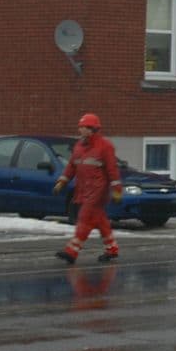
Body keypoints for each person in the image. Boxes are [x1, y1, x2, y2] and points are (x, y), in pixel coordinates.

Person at [52, 112, 123, 264]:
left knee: (84, 218)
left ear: (92, 129)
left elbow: (112, 170)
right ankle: (112, 249)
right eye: (80, 127)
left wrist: (117, 189)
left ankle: (71, 251)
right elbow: (72, 166)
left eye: (83, 127)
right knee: (100, 221)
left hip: (98, 192)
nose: (80, 130)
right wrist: (62, 181)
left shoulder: (105, 146)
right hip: (83, 190)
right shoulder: (79, 146)